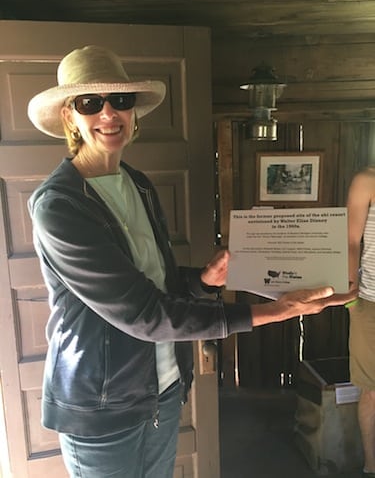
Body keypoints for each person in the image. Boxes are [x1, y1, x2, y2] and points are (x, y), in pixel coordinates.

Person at [27, 45, 355, 478]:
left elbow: (153, 282)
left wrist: (202, 280)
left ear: (133, 111)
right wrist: (275, 311)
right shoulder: (59, 205)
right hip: (101, 407)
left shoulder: (137, 184)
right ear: (70, 116)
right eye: (91, 103)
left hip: (161, 390)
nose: (109, 114)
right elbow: (143, 313)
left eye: (120, 101)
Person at [347, 167, 375, 478]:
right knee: (371, 391)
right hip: (371, 301)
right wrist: (352, 300)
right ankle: (371, 466)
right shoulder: (367, 180)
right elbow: (351, 241)